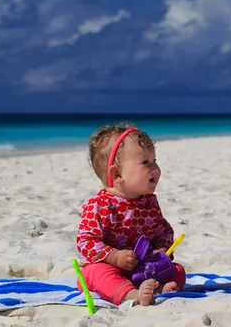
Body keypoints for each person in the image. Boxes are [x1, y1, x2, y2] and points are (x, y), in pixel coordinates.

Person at [76, 122, 186, 306]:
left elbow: (164, 231)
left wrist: (161, 250)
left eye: (155, 161)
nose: (155, 168)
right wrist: (115, 257)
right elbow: (86, 242)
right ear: (117, 174)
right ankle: (132, 295)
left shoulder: (149, 202)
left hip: (142, 269)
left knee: (178, 270)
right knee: (97, 273)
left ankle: (158, 289)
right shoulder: (100, 206)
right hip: (108, 267)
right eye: (146, 162)